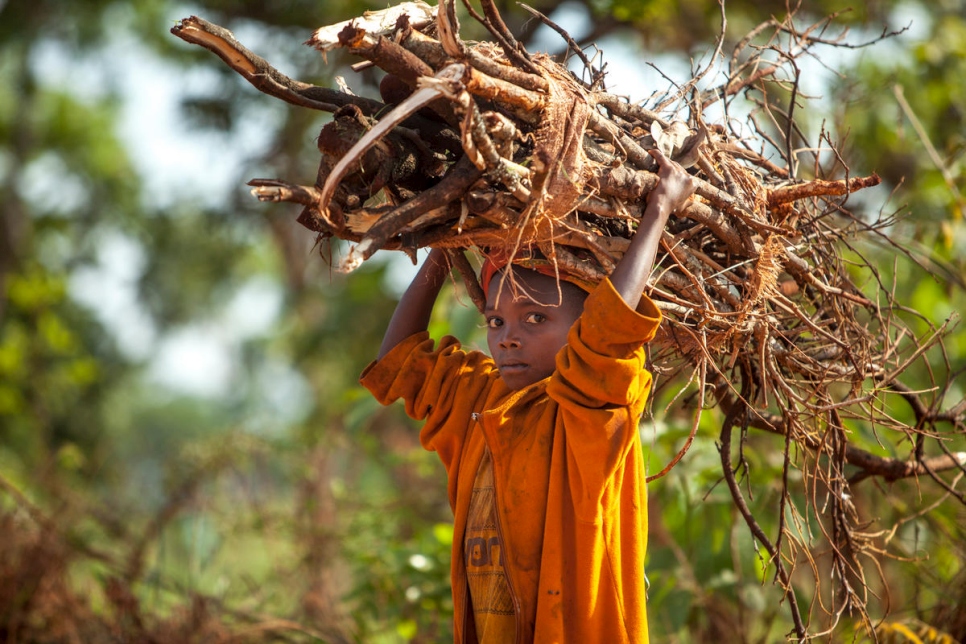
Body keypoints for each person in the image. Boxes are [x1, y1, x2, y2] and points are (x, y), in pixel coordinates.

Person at [359, 148, 696, 643]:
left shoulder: (592, 409)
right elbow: (401, 363)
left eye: (536, 318)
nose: (507, 338)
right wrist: (445, 245)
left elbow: (609, 333)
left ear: (584, 325)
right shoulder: (479, 402)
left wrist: (658, 211)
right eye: (496, 321)